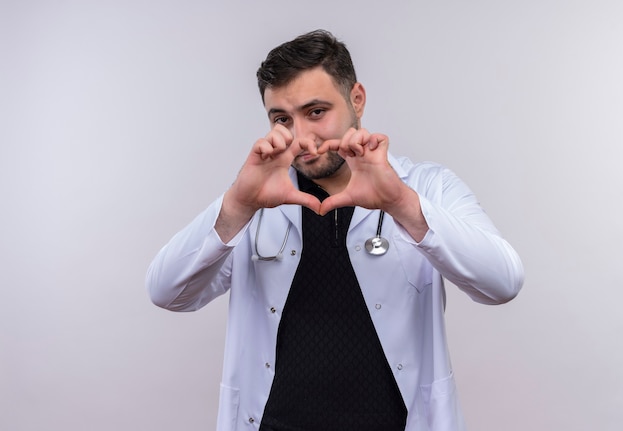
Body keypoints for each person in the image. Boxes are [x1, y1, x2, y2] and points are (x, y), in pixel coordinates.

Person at [146, 29, 524, 431]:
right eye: (282, 119)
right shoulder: (257, 200)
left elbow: (503, 282)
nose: (302, 138)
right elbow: (168, 292)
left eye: (316, 112)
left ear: (356, 99)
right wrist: (238, 204)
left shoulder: (426, 187)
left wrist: (401, 203)